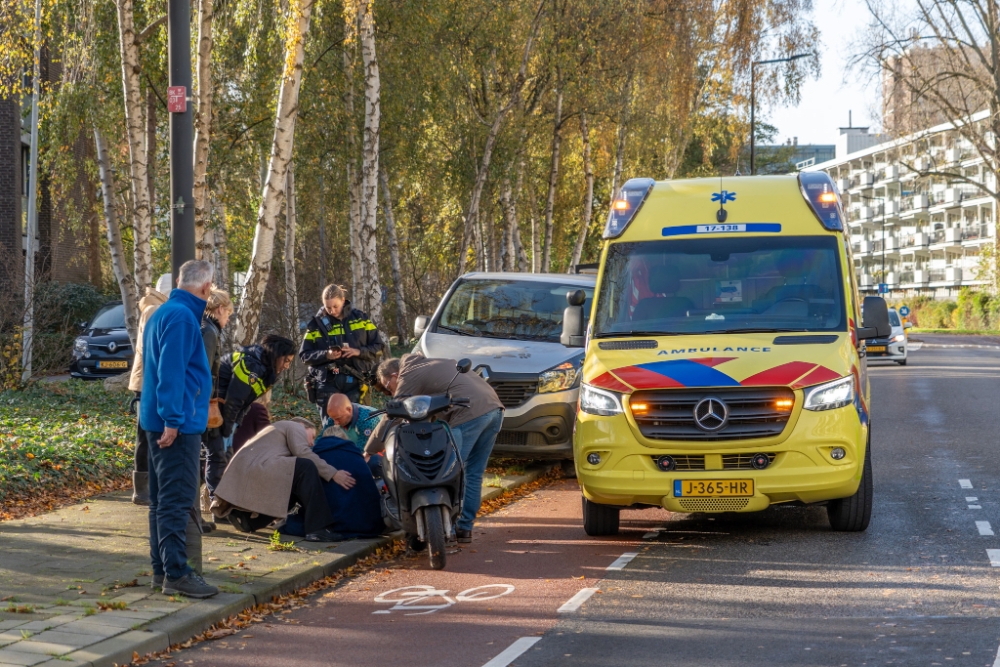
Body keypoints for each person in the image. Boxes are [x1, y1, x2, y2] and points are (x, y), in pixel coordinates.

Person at [139, 260, 218, 599]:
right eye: (211, 287)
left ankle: (162, 569)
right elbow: (173, 371)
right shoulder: (184, 318)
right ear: (205, 288)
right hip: (178, 425)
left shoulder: (161, 312)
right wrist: (173, 419)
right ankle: (176, 572)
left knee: (160, 501)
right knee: (176, 499)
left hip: (156, 419)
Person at [365, 354, 503, 544]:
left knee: (450, 471)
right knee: (473, 473)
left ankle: (450, 528)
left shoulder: (408, 373)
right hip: (494, 409)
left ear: (395, 376)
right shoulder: (431, 363)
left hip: (470, 413)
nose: (390, 394)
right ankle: (464, 528)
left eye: (388, 388)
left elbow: (393, 414)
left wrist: (370, 449)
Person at [211, 418, 356, 542]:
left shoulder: (272, 434)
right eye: (312, 436)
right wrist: (333, 473)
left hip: (248, 473)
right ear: (302, 426)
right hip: (258, 468)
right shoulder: (294, 426)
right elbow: (303, 452)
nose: (312, 443)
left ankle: (248, 521)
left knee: (291, 486)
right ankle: (318, 529)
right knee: (307, 466)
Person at [299, 284, 382, 416]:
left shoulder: (360, 318)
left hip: (357, 381)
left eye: (335, 306)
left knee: (358, 426)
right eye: (328, 307)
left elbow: (379, 348)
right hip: (327, 383)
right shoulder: (316, 325)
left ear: (343, 300)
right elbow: (304, 355)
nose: (332, 311)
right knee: (331, 428)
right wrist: (326, 355)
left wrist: (358, 352)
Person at [127, 273, 172, 505]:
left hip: (145, 380)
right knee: (146, 435)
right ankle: (143, 489)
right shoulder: (156, 310)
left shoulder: (152, 308)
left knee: (145, 434)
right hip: (149, 381)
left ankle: (143, 488)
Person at [216, 334, 297, 454]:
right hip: (218, 414)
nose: (287, 366)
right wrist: (227, 430)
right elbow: (235, 399)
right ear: (276, 355)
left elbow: (244, 401)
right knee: (219, 458)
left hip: (223, 416)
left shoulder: (262, 369)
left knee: (223, 457)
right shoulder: (251, 366)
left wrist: (235, 425)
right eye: (286, 361)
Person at [200, 289, 234, 507]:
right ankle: (216, 500)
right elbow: (203, 369)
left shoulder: (207, 328)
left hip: (204, 402)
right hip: (203, 404)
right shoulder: (209, 332)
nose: (228, 320)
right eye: (228, 315)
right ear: (220, 309)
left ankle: (214, 499)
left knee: (213, 451)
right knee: (215, 452)